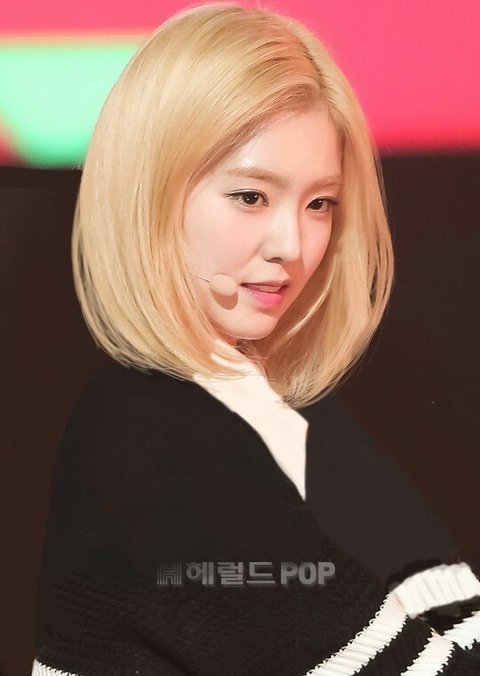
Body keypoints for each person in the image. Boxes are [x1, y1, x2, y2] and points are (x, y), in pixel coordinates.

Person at [32, 2, 480, 674]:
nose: (292, 246)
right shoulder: (151, 438)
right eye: (250, 197)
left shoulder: (276, 408)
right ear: (149, 195)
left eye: (320, 203)